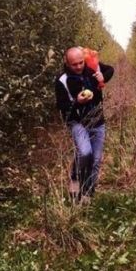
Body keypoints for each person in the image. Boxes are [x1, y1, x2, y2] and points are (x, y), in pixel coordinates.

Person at [55, 46, 114, 203]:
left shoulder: (92, 68)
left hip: (97, 120)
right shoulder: (62, 81)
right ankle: (75, 176)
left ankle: (87, 194)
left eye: (81, 62)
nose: (79, 66)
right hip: (77, 122)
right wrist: (76, 102)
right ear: (67, 63)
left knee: (95, 159)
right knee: (85, 152)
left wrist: (102, 78)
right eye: (75, 64)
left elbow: (110, 70)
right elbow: (62, 106)